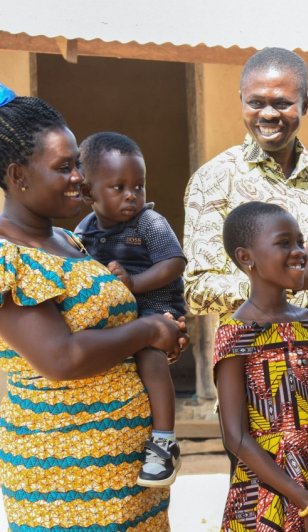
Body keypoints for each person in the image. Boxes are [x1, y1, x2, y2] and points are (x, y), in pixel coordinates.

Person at [0, 84, 187, 529]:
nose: (79, 179)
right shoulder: (8, 257)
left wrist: (164, 336)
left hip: (130, 481)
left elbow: (108, 330)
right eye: (64, 168)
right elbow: (62, 358)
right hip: (66, 482)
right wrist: (148, 332)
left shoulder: (70, 241)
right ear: (17, 176)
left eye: (77, 166)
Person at [184, 47, 308, 457]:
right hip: (253, 388)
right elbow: (197, 289)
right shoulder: (215, 181)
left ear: (305, 103)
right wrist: (296, 281)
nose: (268, 114)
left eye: (282, 103)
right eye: (256, 102)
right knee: (263, 516)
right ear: (241, 100)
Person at [214, 201, 308, 531]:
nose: (299, 252)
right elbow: (235, 437)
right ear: (245, 257)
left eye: (300, 241)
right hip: (264, 492)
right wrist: (304, 501)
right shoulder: (235, 333)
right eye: (284, 243)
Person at [75, 131, 186, 487]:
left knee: (150, 356)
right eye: (118, 187)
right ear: (89, 192)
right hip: (118, 318)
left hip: (157, 310)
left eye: (138, 186)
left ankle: (165, 440)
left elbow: (174, 262)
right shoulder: (83, 231)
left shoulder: (149, 223)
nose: (131, 196)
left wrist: (134, 284)